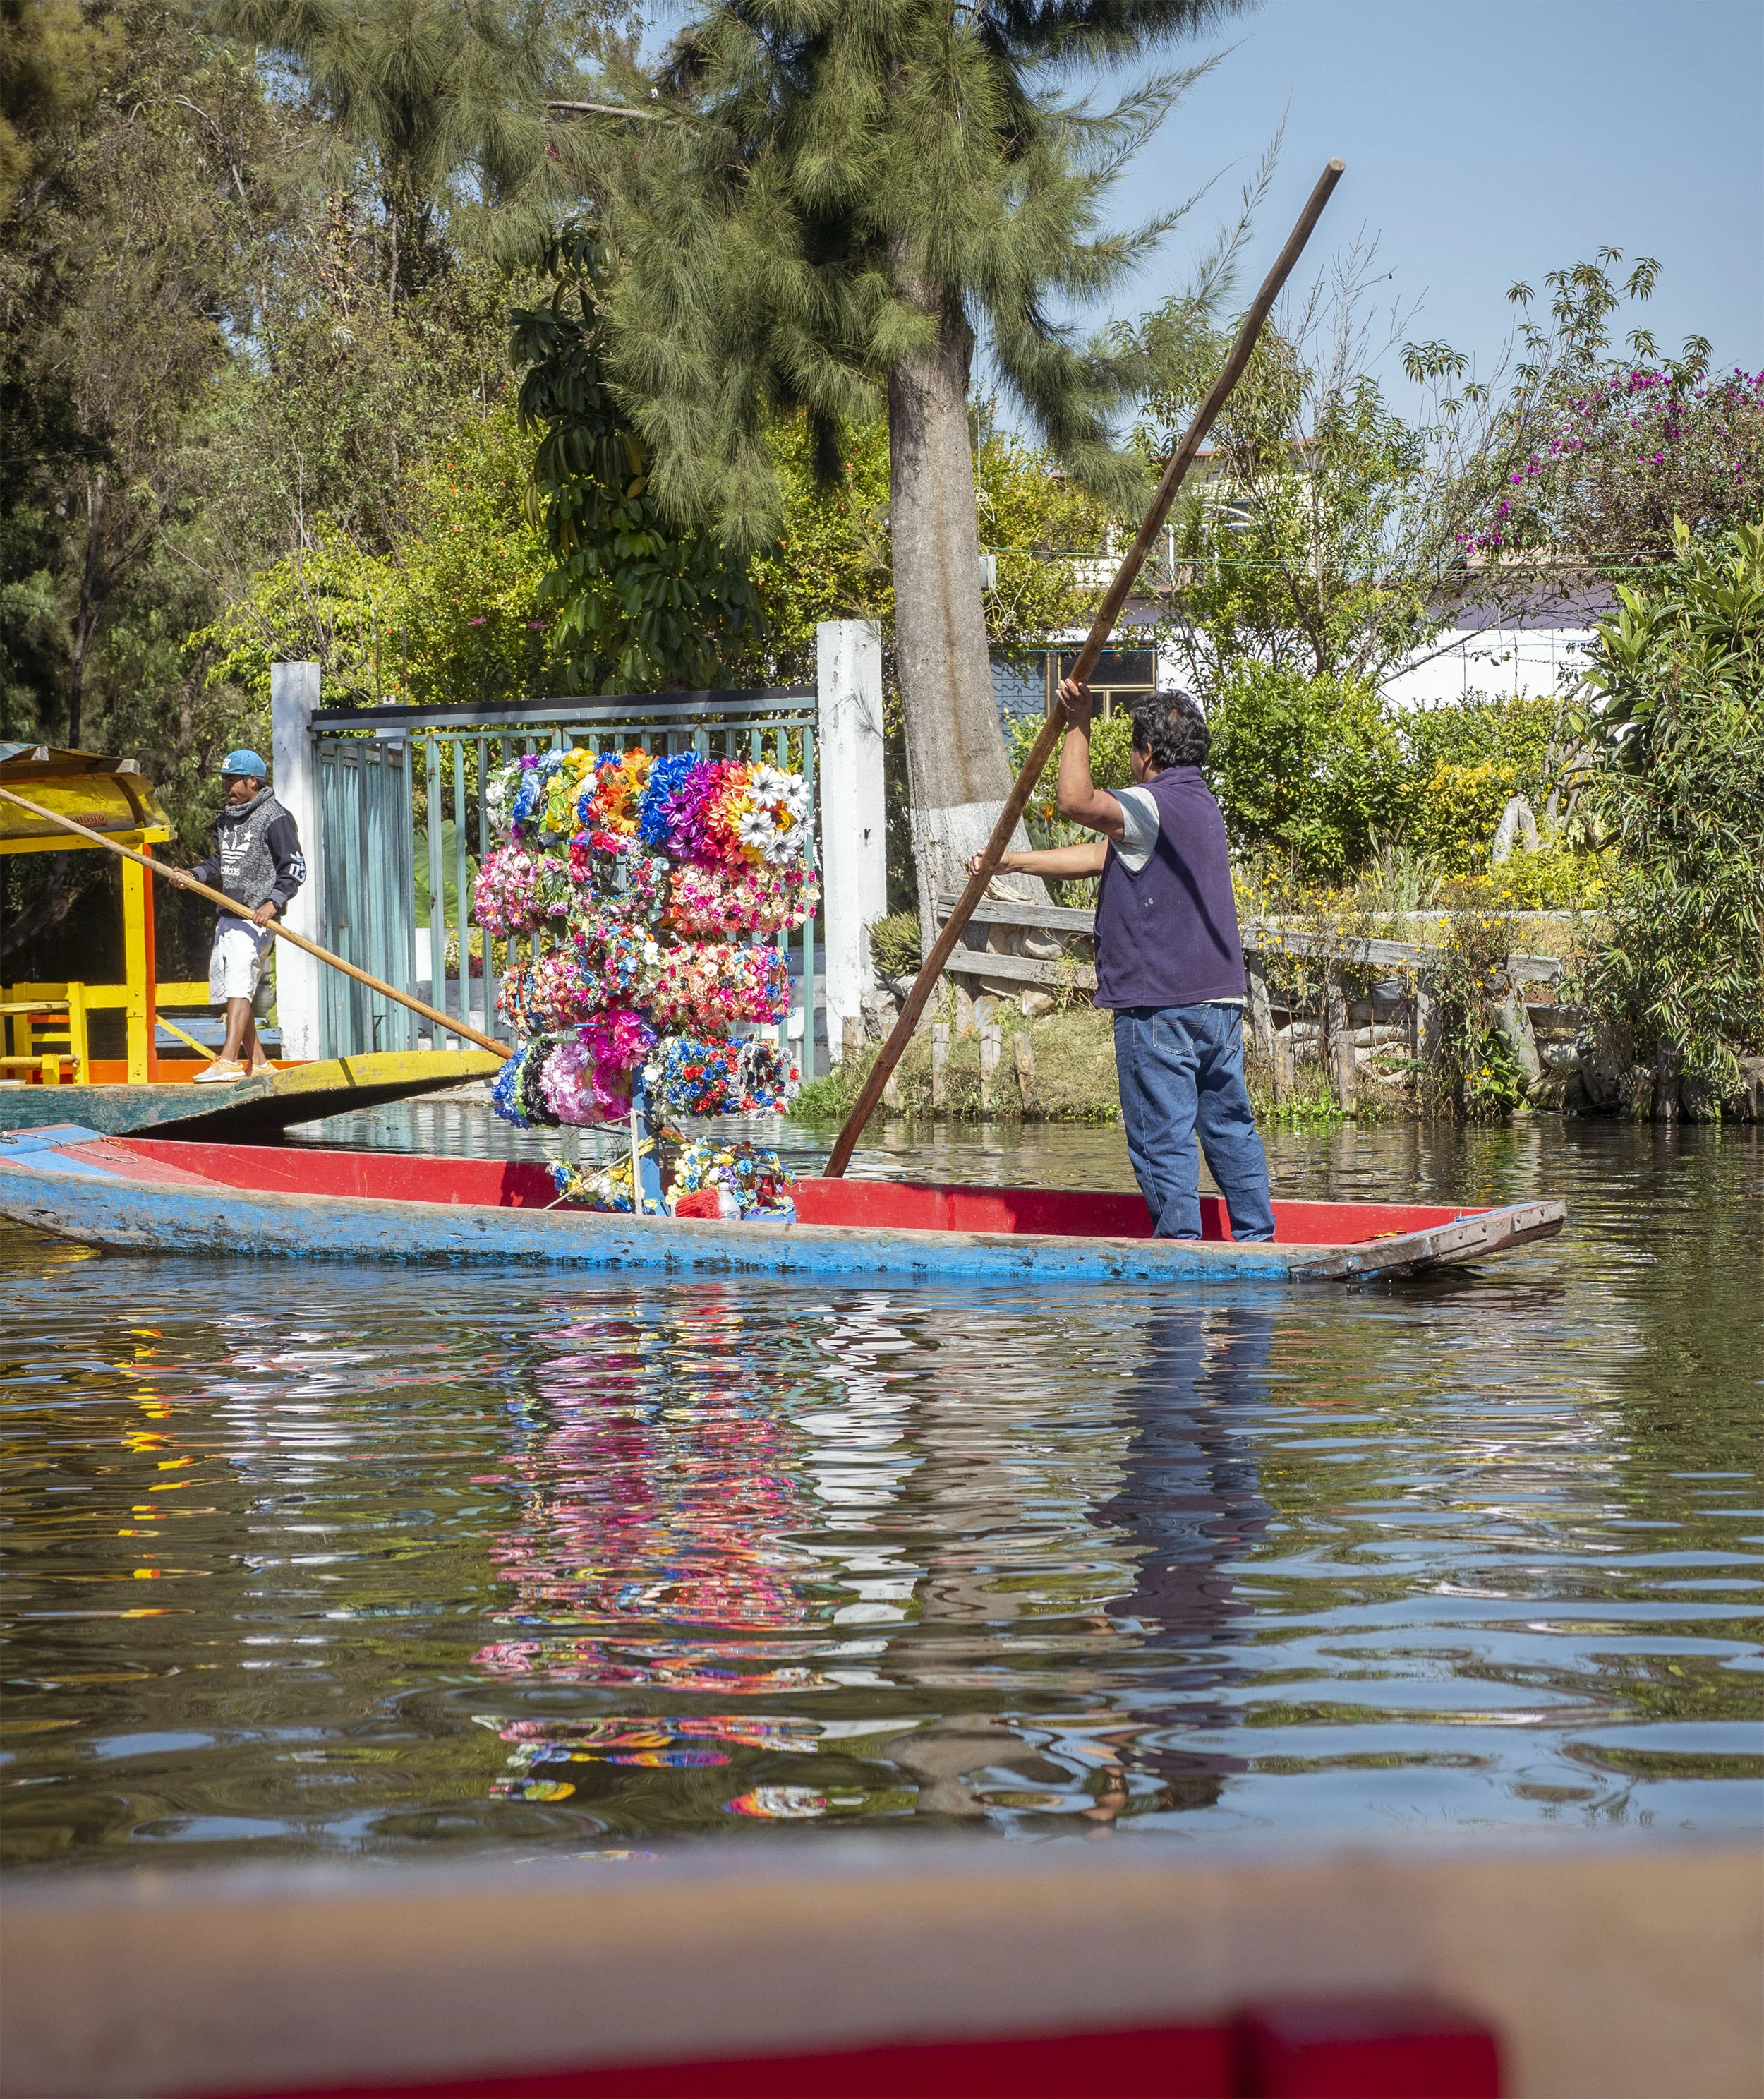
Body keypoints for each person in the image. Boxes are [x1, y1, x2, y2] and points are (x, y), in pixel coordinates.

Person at [972, 675, 1274, 1241]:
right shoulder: (1201, 803)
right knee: (1229, 1127)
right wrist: (1011, 864)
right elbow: (1098, 854)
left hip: (1158, 1004)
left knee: (1162, 1136)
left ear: (1147, 755)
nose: (1131, 764)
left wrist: (1077, 721)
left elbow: (1075, 803)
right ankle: (1259, 1241)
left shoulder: (1153, 802)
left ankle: (1181, 1252)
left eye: (1133, 752)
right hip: (1218, 1002)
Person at [171, 750, 306, 1083]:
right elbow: (221, 862)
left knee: (238, 990)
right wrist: (193, 875)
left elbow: (295, 868)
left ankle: (229, 1061)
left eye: (233, 780)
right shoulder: (226, 819)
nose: (227, 786)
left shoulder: (276, 818)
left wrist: (273, 903)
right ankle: (259, 1062)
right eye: (225, 780)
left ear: (252, 781)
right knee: (232, 993)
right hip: (228, 914)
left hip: (255, 919)